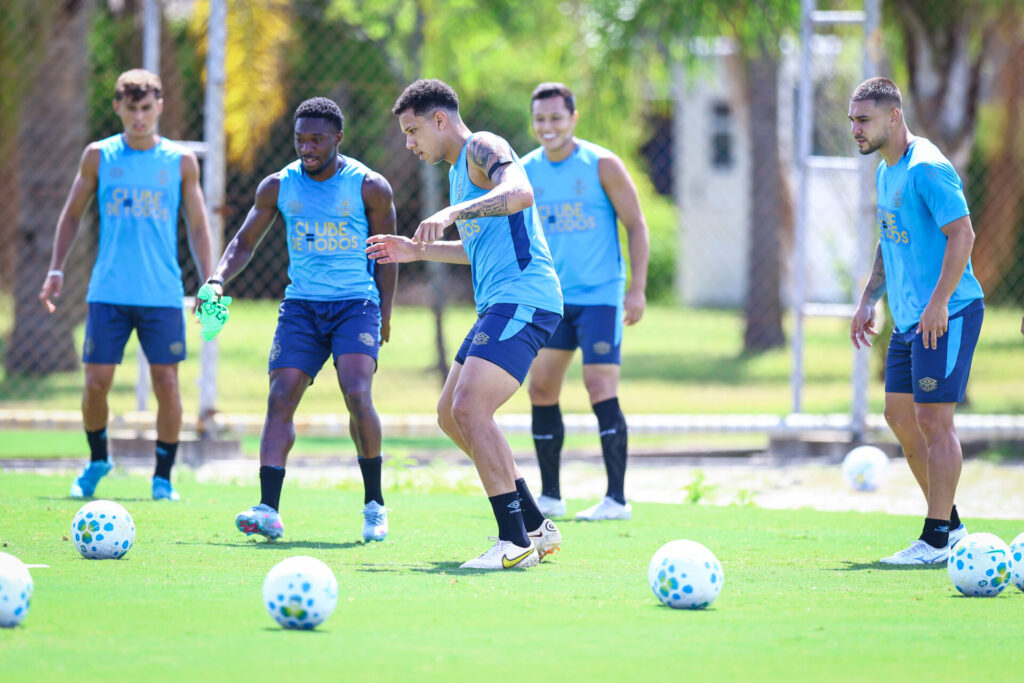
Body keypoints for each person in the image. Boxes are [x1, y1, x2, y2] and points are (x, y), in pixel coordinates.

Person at [367, 78, 563, 570]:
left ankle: (513, 540)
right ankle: (536, 524)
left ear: (440, 119)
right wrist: (419, 251)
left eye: (413, 130)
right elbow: (476, 248)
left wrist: (453, 210)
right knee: (450, 414)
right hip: (499, 302)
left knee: (470, 408)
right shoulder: (459, 171)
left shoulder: (482, 146)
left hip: (525, 298)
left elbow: (519, 192)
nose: (409, 143)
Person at [201, 97, 398, 543]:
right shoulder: (278, 185)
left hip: (355, 304)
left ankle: (374, 504)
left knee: (356, 391)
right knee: (280, 394)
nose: (306, 148)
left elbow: (387, 255)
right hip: (302, 307)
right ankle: (267, 509)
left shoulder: (369, 186)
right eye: (300, 140)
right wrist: (216, 279)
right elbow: (245, 241)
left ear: (338, 139)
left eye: (317, 140)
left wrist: (385, 311)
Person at [39, 69, 214, 502]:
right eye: (131, 108)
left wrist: (211, 281)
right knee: (96, 382)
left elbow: (198, 225)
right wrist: (56, 268)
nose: (140, 117)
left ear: (159, 107)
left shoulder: (180, 162)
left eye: (147, 108)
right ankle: (98, 460)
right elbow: (71, 215)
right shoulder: (99, 156)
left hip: (161, 293)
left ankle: (163, 477)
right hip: (109, 291)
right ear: (118, 108)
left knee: (167, 384)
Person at [848, 77, 984, 565]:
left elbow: (962, 234)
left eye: (863, 120)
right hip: (910, 320)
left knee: (933, 420)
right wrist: (869, 298)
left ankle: (935, 540)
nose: (855, 130)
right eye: (853, 121)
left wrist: (939, 302)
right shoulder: (887, 171)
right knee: (899, 417)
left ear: (894, 117)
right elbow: (890, 239)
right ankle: (952, 527)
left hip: (948, 312)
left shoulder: (927, 169)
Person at [521, 82, 650, 521]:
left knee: (599, 388)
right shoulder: (523, 171)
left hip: (599, 298)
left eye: (556, 118)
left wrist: (637, 288)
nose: (548, 127)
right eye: (540, 119)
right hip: (550, 300)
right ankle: (551, 496)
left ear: (573, 118)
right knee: (540, 387)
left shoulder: (602, 165)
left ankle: (616, 499)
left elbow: (636, 224)